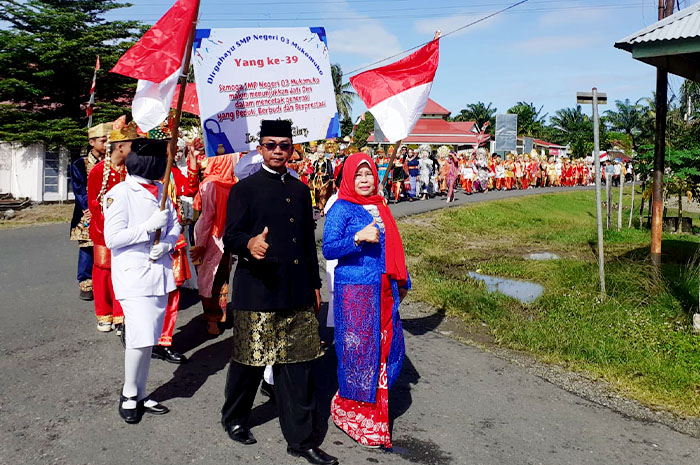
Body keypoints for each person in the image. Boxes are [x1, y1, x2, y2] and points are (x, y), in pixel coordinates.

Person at [221, 120, 337, 465]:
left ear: (291, 149)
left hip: (297, 290)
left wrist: (315, 286)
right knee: (249, 363)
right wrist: (249, 244)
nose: (276, 151)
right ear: (260, 149)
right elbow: (230, 237)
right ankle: (236, 418)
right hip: (258, 290)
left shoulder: (302, 191)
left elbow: (306, 240)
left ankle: (301, 441)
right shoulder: (245, 189)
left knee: (298, 368)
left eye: (283, 145)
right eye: (270, 145)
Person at [322, 152, 410, 449]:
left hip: (384, 289)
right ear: (348, 177)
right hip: (355, 291)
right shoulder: (341, 208)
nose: (364, 180)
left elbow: (394, 250)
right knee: (358, 355)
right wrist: (357, 238)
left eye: (368, 174)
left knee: (391, 350)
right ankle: (352, 411)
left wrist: (403, 282)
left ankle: (372, 404)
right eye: (358, 175)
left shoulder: (381, 206)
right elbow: (329, 249)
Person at [104, 137, 180, 424]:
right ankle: (128, 394)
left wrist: (168, 243)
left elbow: (172, 226)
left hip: (158, 274)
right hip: (133, 276)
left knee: (148, 339)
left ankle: (140, 392)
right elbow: (113, 238)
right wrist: (147, 228)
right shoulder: (120, 193)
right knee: (139, 337)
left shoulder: (161, 191)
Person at [86, 119, 135, 333]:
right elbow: (93, 204)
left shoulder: (131, 170)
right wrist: (109, 224)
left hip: (127, 230)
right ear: (120, 147)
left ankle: (121, 314)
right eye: (132, 144)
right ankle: (104, 313)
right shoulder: (98, 171)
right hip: (103, 229)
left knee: (124, 271)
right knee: (104, 271)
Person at [192, 154, 236, 336]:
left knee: (207, 279)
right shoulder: (234, 183)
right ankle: (221, 315)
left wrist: (200, 243)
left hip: (211, 239)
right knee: (223, 278)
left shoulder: (210, 184)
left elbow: (207, 217)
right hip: (228, 237)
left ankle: (212, 320)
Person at [70, 122, 112, 301]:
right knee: (87, 247)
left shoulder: (112, 162)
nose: (106, 144)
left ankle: (108, 282)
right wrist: (88, 208)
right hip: (87, 212)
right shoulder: (80, 164)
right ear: (91, 142)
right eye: (103, 141)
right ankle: (86, 282)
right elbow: (79, 189)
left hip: (110, 210)